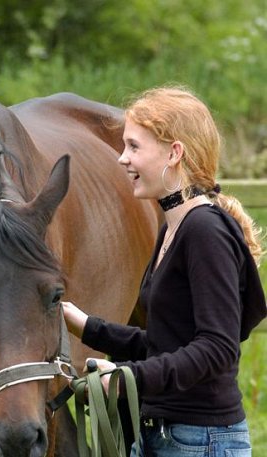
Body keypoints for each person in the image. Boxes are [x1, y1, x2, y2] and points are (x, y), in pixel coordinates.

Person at [60, 87, 266, 456]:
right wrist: (88, 326)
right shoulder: (172, 226)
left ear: (174, 153)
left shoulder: (205, 232)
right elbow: (164, 344)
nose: (121, 159)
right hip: (165, 435)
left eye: (134, 147)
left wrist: (129, 378)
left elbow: (218, 347)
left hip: (200, 442)